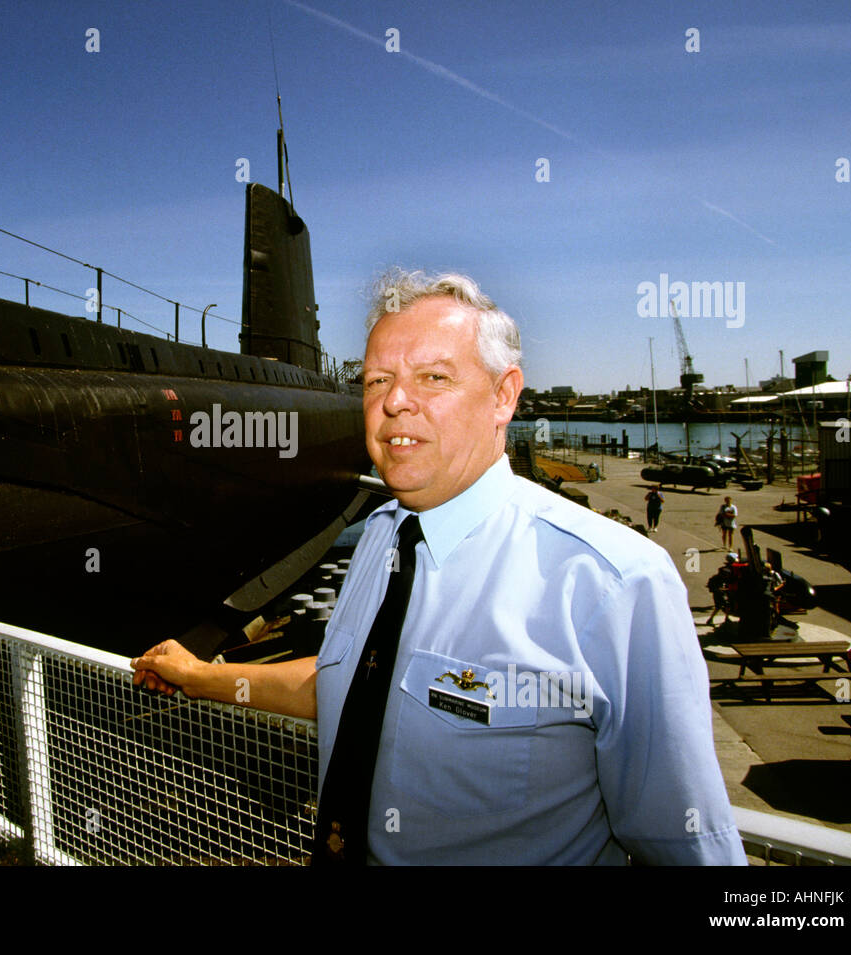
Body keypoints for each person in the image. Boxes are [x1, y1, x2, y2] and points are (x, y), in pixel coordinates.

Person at [132, 268, 745, 866]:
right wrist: (202, 676)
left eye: (432, 377)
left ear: (504, 396)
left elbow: (687, 846)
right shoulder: (379, 538)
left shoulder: (612, 581)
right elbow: (352, 685)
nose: (396, 402)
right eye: (376, 381)